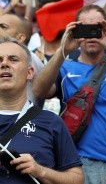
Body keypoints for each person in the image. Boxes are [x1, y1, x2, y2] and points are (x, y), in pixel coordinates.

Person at [32, 5, 106, 184]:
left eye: (97, 28)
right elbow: (39, 90)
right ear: (75, 30)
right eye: (84, 28)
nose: (91, 34)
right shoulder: (65, 67)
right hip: (78, 164)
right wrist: (63, 50)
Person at [0, 37, 83, 184]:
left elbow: (77, 179)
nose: (4, 64)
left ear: (30, 73)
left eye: (13, 59)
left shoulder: (51, 122)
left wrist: (41, 171)